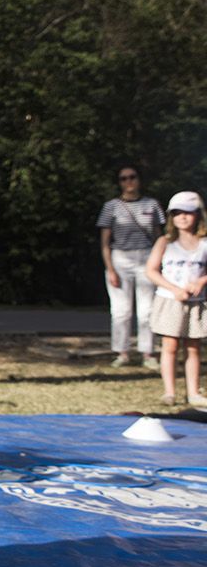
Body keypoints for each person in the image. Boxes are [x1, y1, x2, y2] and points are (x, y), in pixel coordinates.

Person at [144, 191, 207, 407]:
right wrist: (173, 289)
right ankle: (169, 392)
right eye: (177, 213)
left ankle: (193, 392)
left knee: (193, 347)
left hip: (195, 304)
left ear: (198, 215)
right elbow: (151, 271)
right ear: (172, 216)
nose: (183, 217)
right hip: (170, 301)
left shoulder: (204, 243)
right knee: (169, 346)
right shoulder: (165, 242)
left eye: (188, 212)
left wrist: (201, 282)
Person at [98, 166, 165, 369]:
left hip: (146, 257)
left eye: (132, 177)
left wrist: (160, 263)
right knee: (120, 311)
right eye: (123, 178)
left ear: (139, 180)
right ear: (119, 182)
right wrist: (110, 268)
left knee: (146, 311)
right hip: (120, 258)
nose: (128, 182)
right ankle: (122, 352)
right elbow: (105, 241)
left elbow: (159, 236)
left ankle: (148, 353)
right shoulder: (111, 207)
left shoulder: (152, 205)